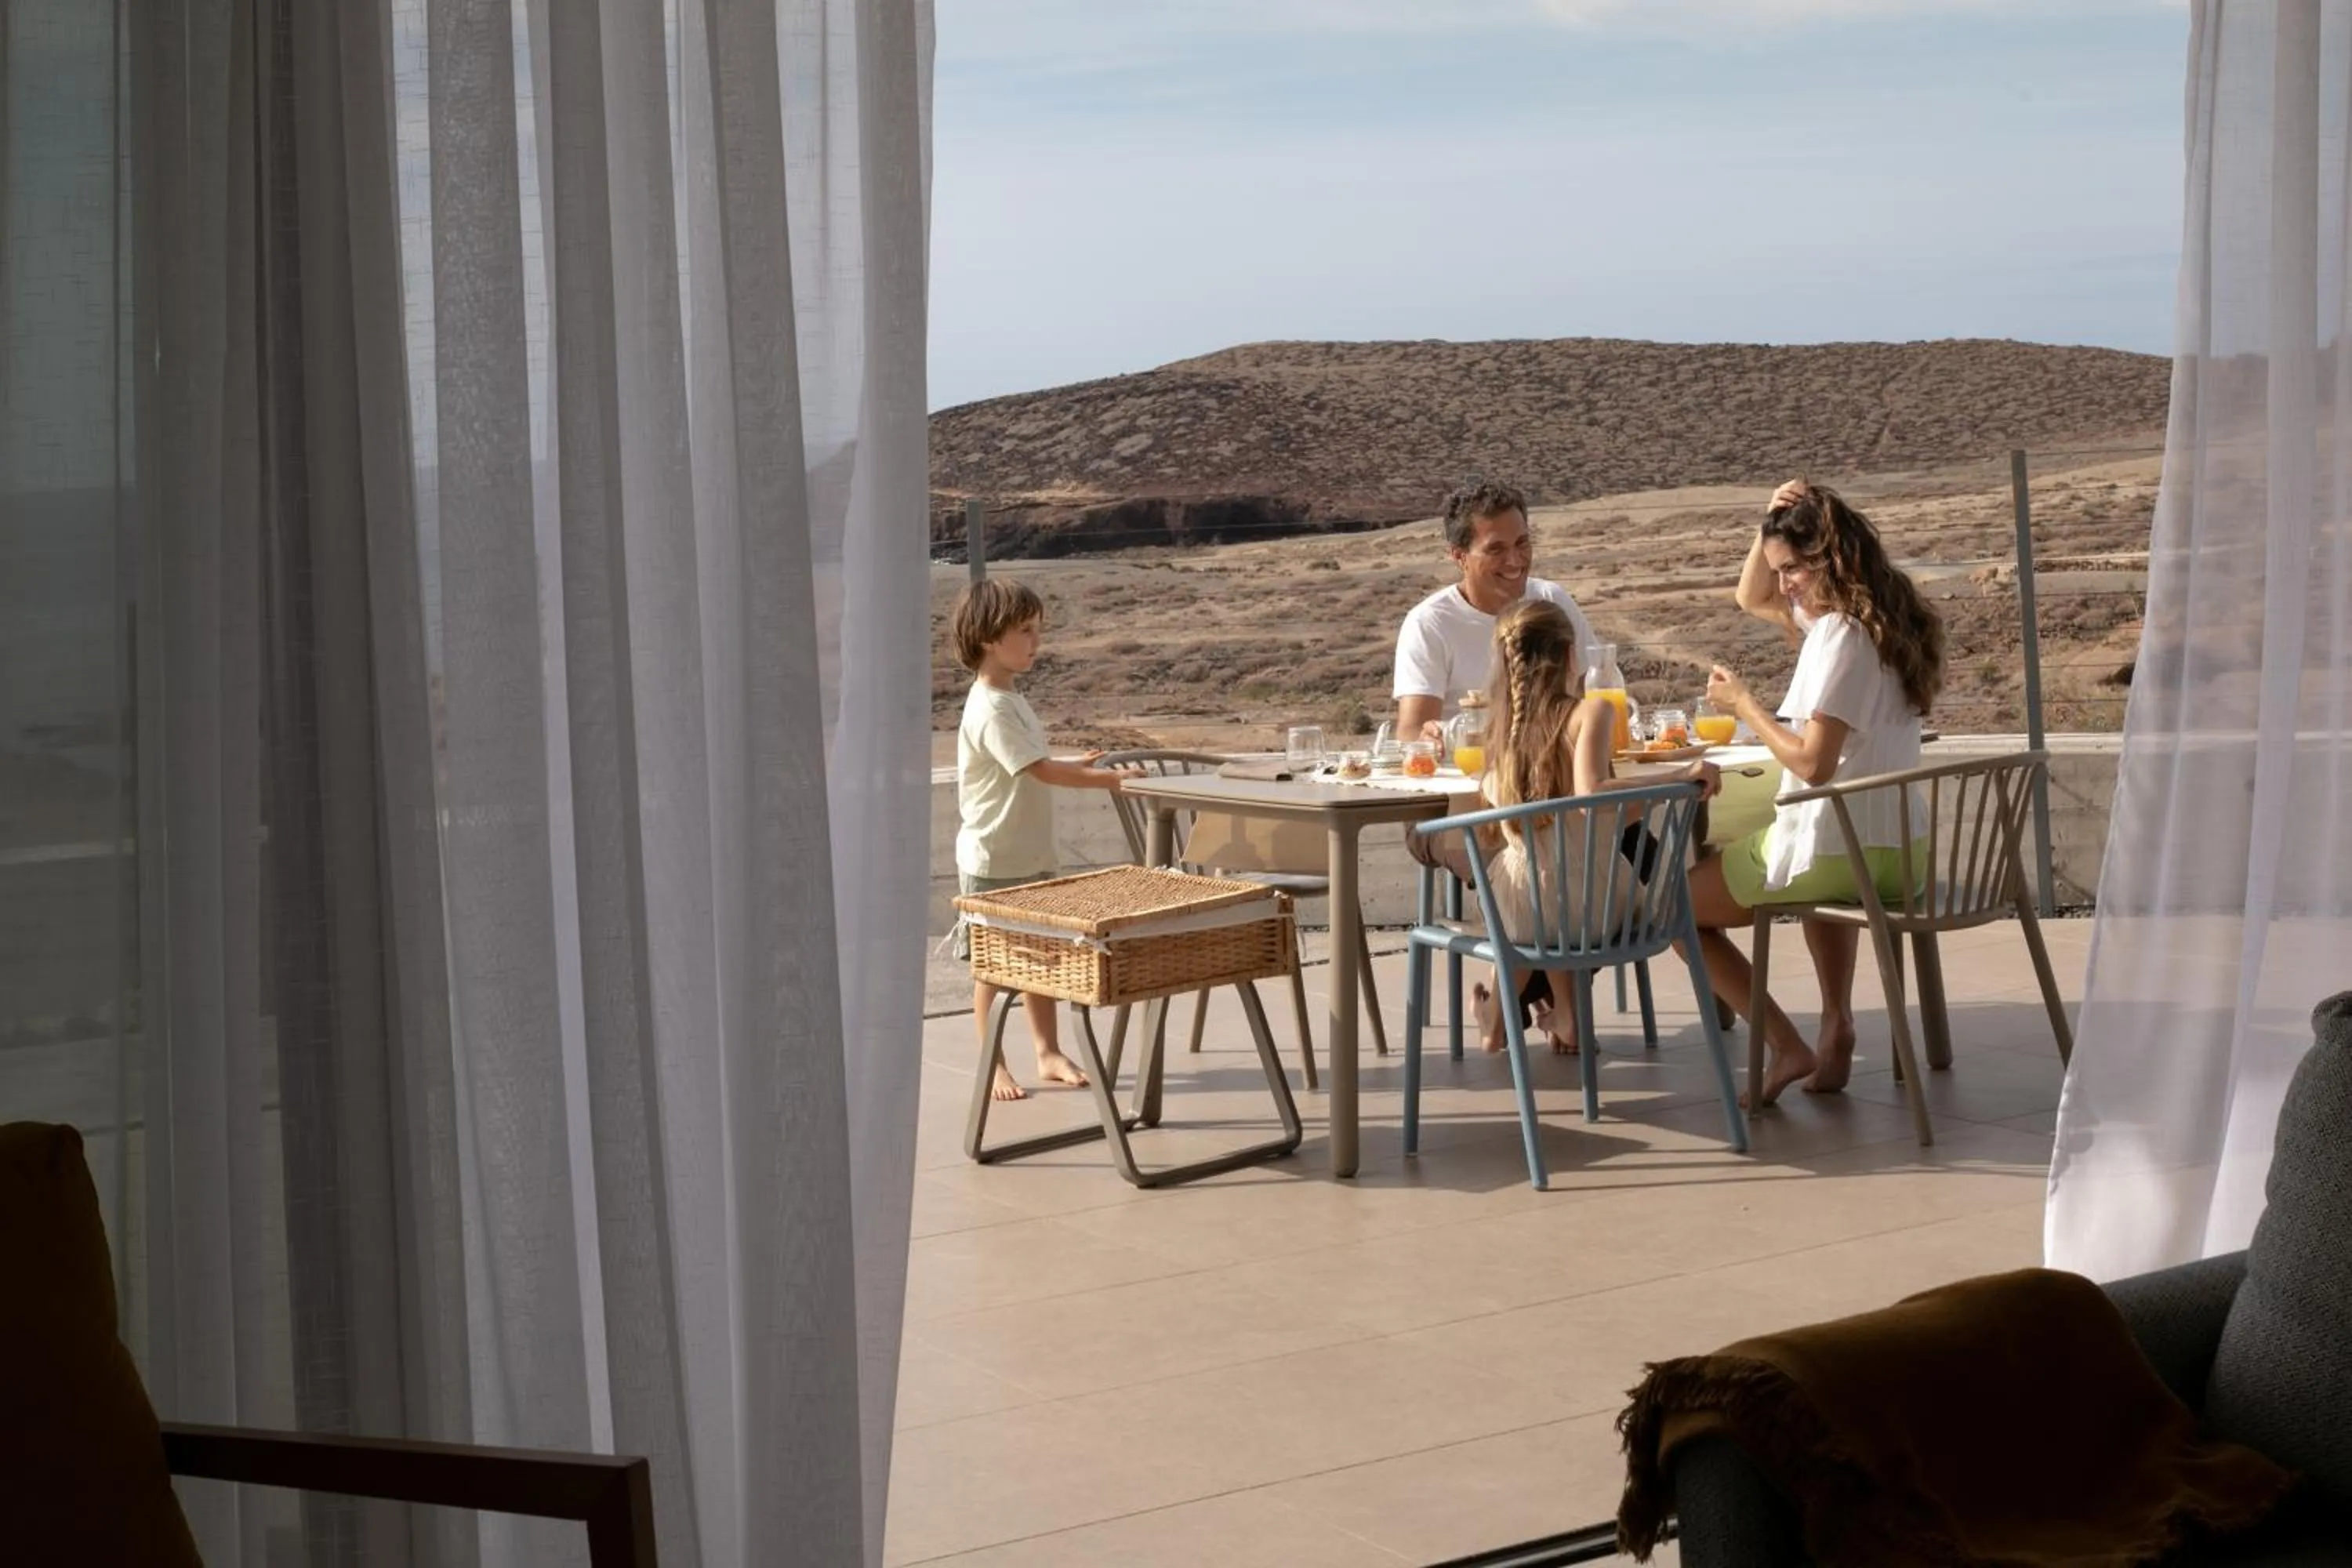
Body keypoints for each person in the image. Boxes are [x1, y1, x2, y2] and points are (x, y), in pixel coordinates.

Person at [1690, 480, 1946, 1105]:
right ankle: (1836, 1025)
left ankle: (1786, 1046)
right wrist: (1771, 523)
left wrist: (1744, 703)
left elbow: (1813, 766)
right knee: (1819, 860)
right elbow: (1750, 594)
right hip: (1896, 854)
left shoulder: (1839, 638)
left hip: (1841, 850)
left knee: (1674, 906)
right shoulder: (1890, 621)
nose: (1784, 587)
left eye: (1795, 570)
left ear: (1832, 558)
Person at [1411, 600, 1719, 1054]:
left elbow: (1570, 807)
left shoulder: (1498, 730)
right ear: (1571, 655)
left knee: (1529, 900)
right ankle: (1566, 1015)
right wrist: (1676, 779)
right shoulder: (1590, 713)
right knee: (1563, 886)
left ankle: (1496, 1018)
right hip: (1602, 908)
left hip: (1521, 910)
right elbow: (1591, 796)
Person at [949, 579, 1139, 1102]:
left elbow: (1037, 762)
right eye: (1025, 631)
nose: (1036, 641)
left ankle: (1047, 1051)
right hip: (996, 858)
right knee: (994, 968)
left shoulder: (1009, 698)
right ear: (990, 638)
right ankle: (994, 1064)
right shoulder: (991, 707)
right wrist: (1108, 780)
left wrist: (1075, 763)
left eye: (1038, 630)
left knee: (1043, 956)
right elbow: (1039, 772)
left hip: (1028, 853)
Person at [1392, 481, 1595, 742]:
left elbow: (1595, 690)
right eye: (1496, 549)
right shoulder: (1430, 624)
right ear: (1459, 556)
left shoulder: (1551, 601)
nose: (1514, 560)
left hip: (1552, 769)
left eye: (1522, 543)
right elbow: (1413, 733)